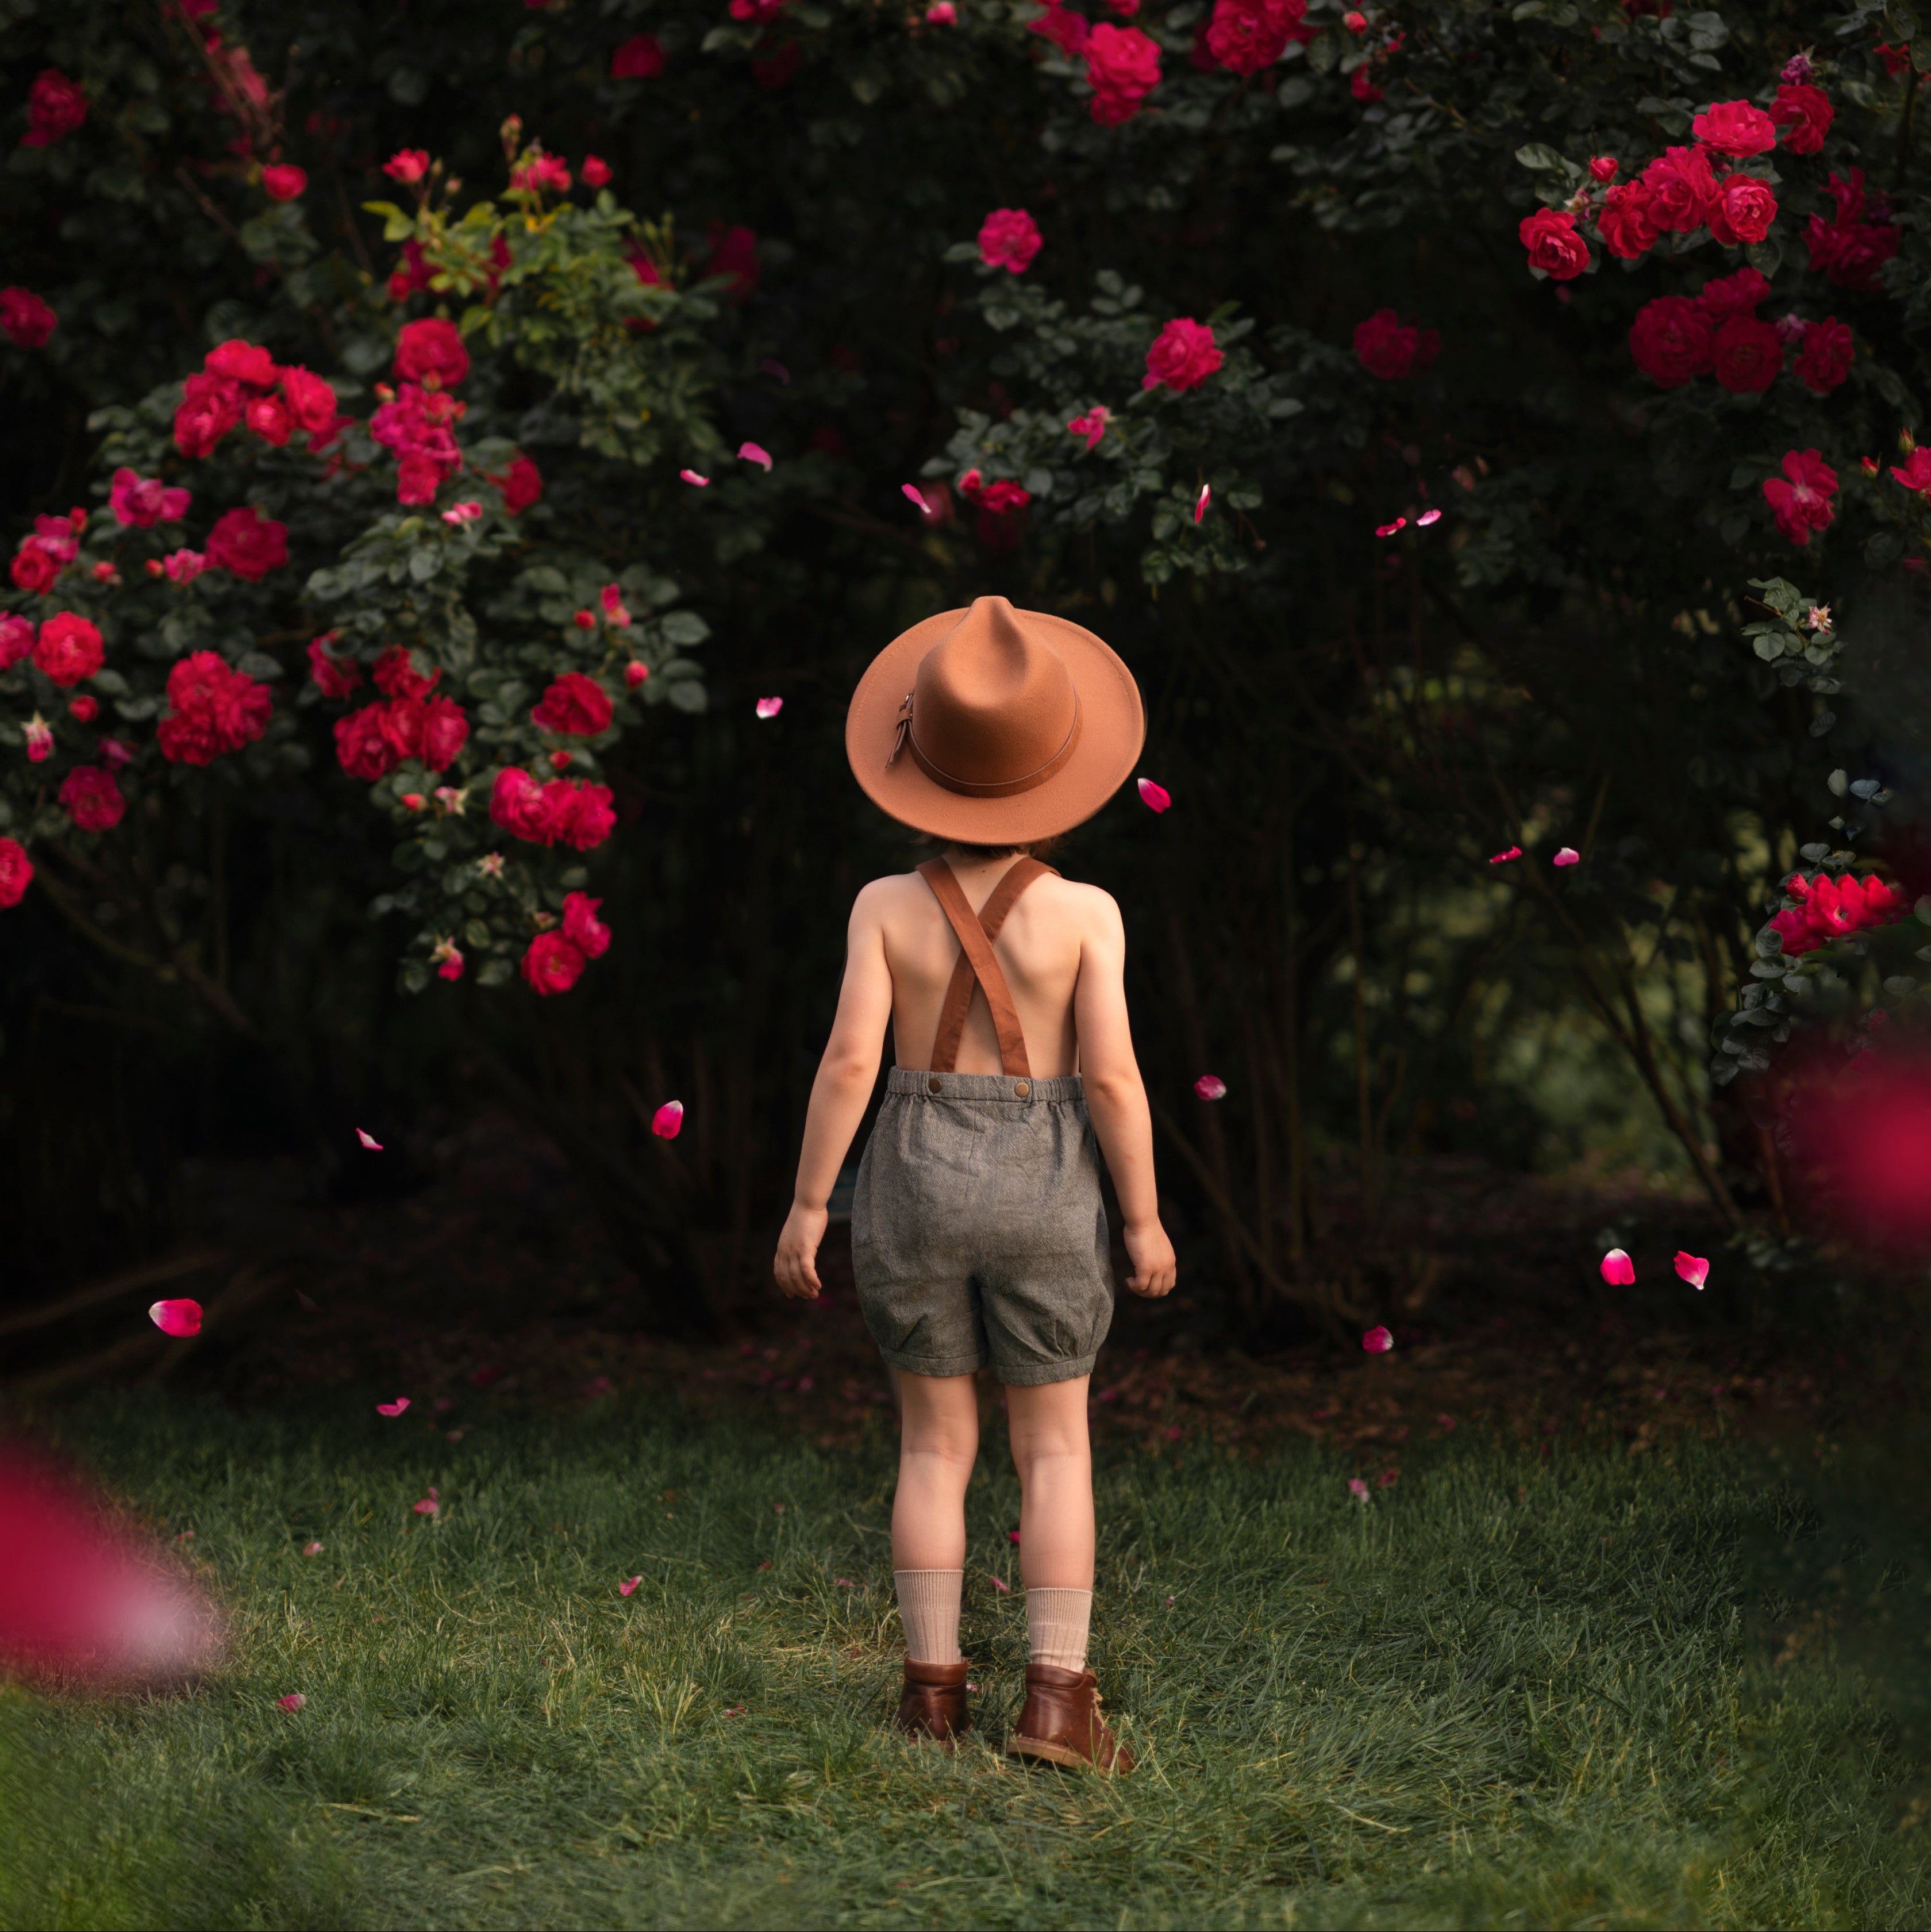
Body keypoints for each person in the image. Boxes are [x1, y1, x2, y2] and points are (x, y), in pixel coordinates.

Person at [773, 594, 1177, 1774]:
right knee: (1054, 1446)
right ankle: (1057, 1699)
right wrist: (1142, 1217)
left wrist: (810, 1203)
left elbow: (852, 1060)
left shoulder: (885, 906)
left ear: (921, 764)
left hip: (910, 1176)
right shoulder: (1086, 914)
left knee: (934, 1445)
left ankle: (931, 1696)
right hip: (1050, 1187)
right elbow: (1110, 1076)